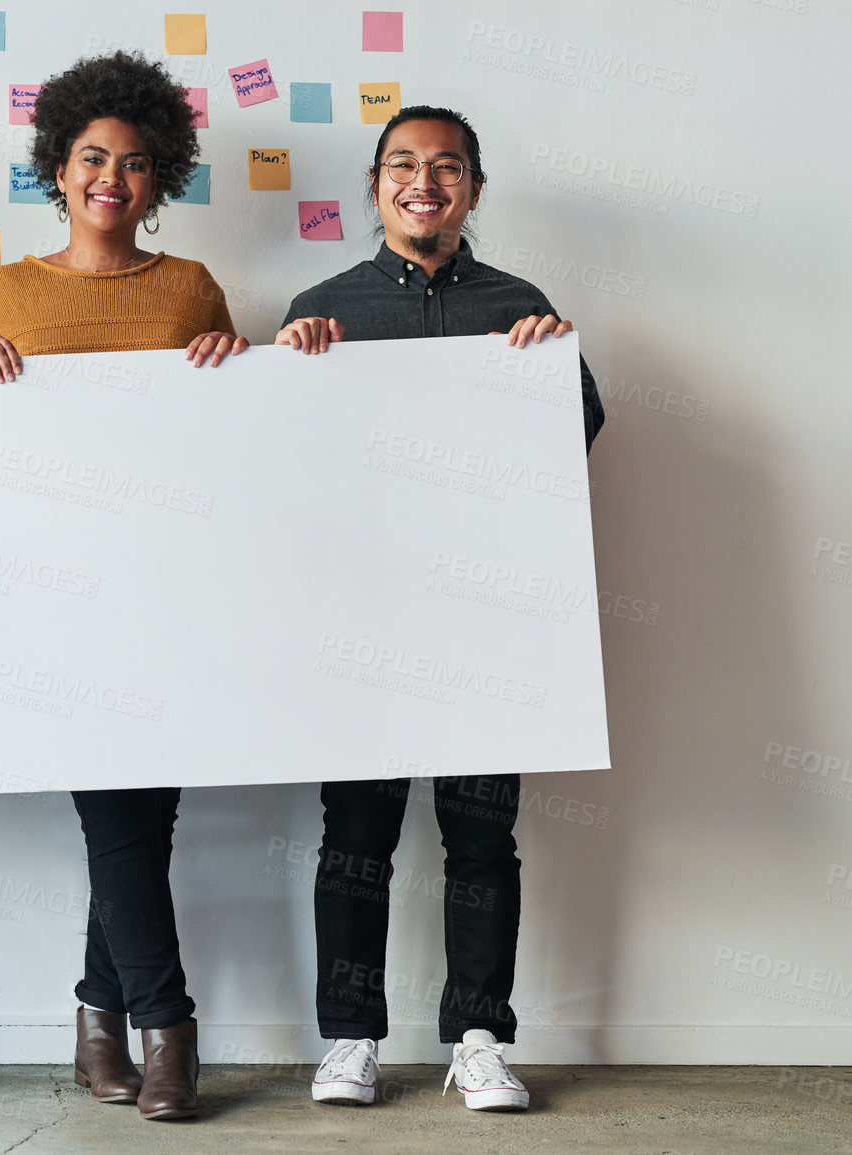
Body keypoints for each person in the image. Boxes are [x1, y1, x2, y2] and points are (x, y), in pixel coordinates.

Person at [278, 105, 605, 1113]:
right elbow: (271, 459)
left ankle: (477, 1037)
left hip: (483, 616)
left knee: (480, 840)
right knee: (355, 836)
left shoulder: (519, 304)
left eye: (447, 167)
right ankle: (349, 1038)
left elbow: (578, 432)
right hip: (362, 616)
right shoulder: (322, 307)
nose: (425, 183)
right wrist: (286, 367)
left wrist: (549, 365)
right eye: (404, 166)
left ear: (473, 188)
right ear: (376, 185)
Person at [0, 50, 245, 1122]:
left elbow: (228, 445)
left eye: (132, 162)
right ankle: (168, 1029)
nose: (110, 177)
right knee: (120, 819)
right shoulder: (4, 293)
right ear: (57, 169)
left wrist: (231, 363)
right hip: (50, 597)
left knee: (136, 824)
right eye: (90, 158)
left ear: (158, 177)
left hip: (164, 592)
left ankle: (94, 1019)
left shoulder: (190, 288)